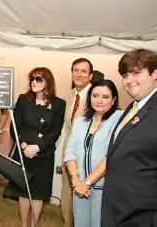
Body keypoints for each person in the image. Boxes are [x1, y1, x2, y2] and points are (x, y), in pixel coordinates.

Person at [101, 49, 157, 227]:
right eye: (125, 75)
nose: (128, 80)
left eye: (136, 73)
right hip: (119, 215)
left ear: (155, 74)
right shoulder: (133, 108)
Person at [10, 67, 66, 227]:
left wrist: (38, 147)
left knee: (38, 192)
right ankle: (24, 224)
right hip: (24, 152)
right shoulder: (23, 100)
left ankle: (34, 225)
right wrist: (23, 145)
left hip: (44, 155)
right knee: (24, 190)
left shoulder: (59, 104)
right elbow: (15, 126)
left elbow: (55, 131)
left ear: (48, 82)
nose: (34, 82)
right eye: (32, 79)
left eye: (38, 79)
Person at [64, 80, 123, 227]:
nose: (99, 100)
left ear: (114, 100)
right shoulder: (81, 121)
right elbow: (70, 151)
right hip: (80, 189)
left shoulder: (120, 120)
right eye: (95, 95)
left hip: (105, 189)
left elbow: (112, 155)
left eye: (105, 97)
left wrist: (87, 182)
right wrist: (76, 180)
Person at [61, 58, 93, 227]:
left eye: (83, 71)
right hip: (69, 154)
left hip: (87, 155)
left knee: (84, 194)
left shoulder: (96, 96)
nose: (79, 74)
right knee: (67, 192)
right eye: (76, 70)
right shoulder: (68, 96)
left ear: (90, 75)